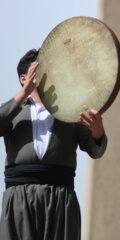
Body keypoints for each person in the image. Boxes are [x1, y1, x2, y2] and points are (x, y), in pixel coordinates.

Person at [0, 49, 107, 240]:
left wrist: (98, 132)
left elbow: (95, 150)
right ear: (23, 78)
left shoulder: (70, 111)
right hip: (19, 197)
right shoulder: (13, 111)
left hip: (61, 197)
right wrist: (24, 93)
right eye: (37, 71)